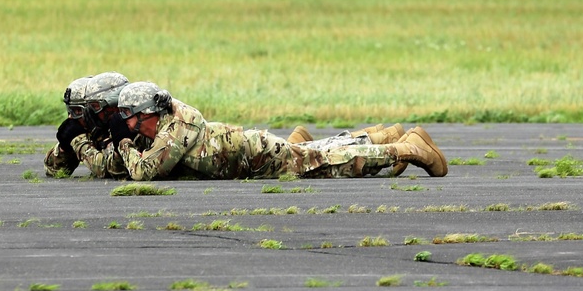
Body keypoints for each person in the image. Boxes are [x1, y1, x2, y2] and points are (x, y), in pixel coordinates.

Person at [107, 81, 448, 181]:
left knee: (336, 165)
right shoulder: (165, 122)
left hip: (260, 159)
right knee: (323, 155)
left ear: (151, 112)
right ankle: (382, 136)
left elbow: (144, 171)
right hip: (255, 155)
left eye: (134, 118)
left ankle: (409, 149)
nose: (133, 125)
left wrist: (123, 143)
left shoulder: (174, 131)